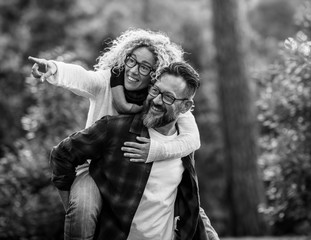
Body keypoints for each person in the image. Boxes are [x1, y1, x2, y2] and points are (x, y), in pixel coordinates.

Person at [29, 28, 202, 239]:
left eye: (145, 67)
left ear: (155, 74)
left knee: (195, 210)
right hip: (93, 168)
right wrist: (54, 68)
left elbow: (192, 139)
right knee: (82, 209)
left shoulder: (164, 100)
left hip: (128, 171)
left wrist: (155, 150)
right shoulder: (107, 83)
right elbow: (82, 78)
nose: (134, 70)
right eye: (131, 61)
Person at [50, 62, 219, 240]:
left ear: (185, 107)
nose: (156, 100)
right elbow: (61, 155)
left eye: (168, 97)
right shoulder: (115, 129)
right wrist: (71, 205)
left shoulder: (183, 147)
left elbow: (189, 201)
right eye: (155, 90)